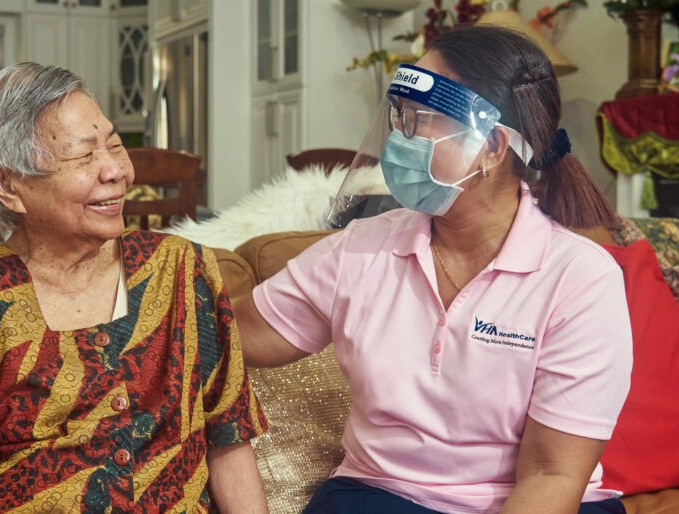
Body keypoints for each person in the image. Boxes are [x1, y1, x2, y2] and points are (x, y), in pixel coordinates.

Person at [234, 26, 632, 514]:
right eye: (399, 117)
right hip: (379, 499)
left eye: (420, 119)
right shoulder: (362, 248)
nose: (400, 138)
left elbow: (553, 475)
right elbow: (238, 332)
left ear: (491, 146)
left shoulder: (581, 278)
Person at [0, 62, 269, 513]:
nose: (116, 170)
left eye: (115, 145)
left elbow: (228, 441)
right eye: (84, 155)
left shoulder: (182, 270)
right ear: (7, 183)